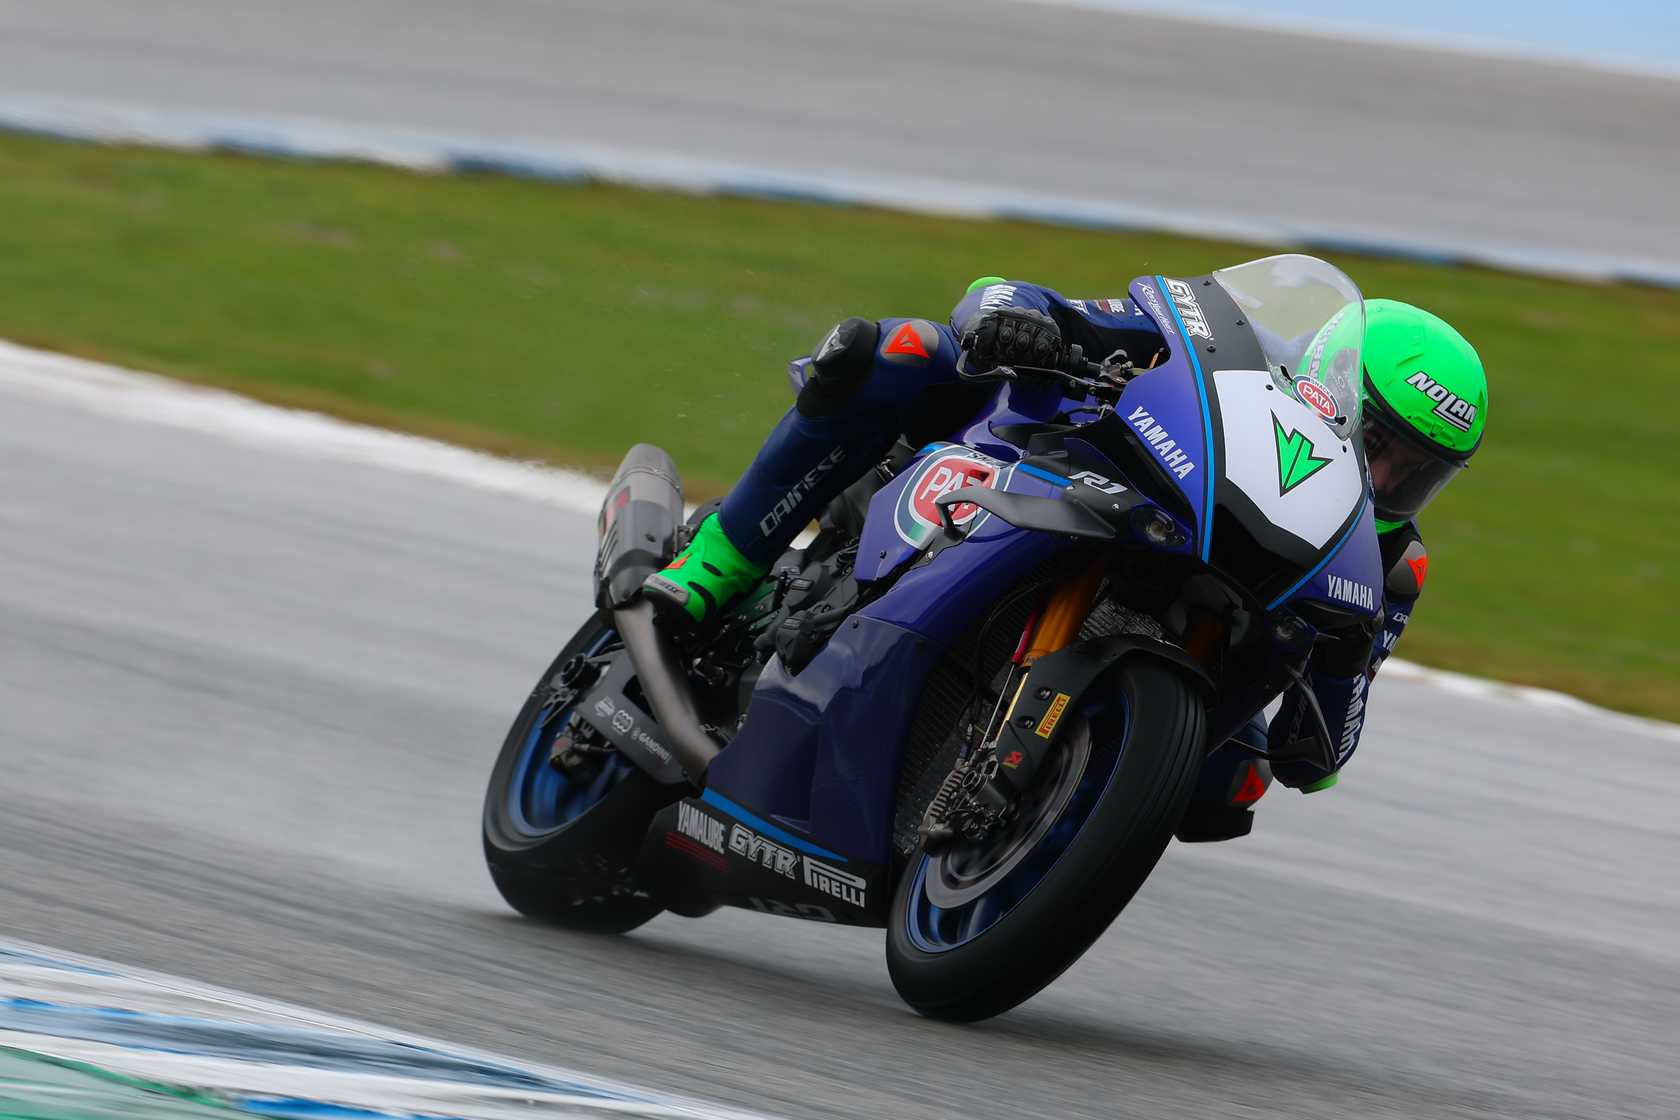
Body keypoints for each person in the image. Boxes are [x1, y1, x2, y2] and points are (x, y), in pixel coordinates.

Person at [642, 277, 1488, 824]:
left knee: (1235, 784)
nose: (1386, 480)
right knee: (900, 351)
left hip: (1199, 645)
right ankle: (720, 560)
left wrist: (1338, 671)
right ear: (1329, 381)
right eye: (1378, 445)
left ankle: (1043, 825)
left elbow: (1325, 747)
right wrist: (1017, 320)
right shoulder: (1229, 358)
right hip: (1085, 485)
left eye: (1416, 475)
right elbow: (1017, 297)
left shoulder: (1386, 567)